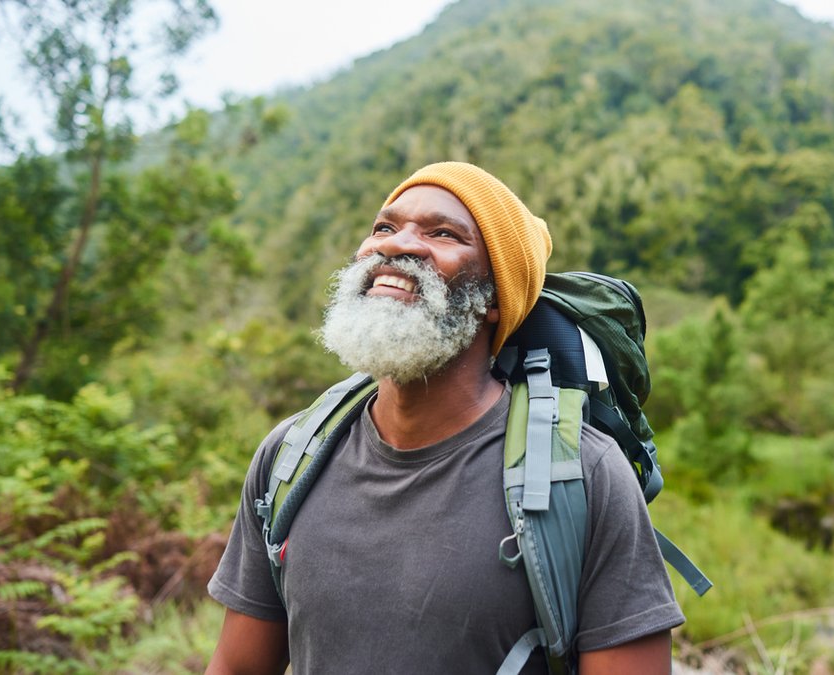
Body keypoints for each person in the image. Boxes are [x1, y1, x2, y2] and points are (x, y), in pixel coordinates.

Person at [205, 162, 685, 674]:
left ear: (497, 300)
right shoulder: (291, 456)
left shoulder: (583, 474)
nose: (394, 245)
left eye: (442, 233)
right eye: (384, 227)